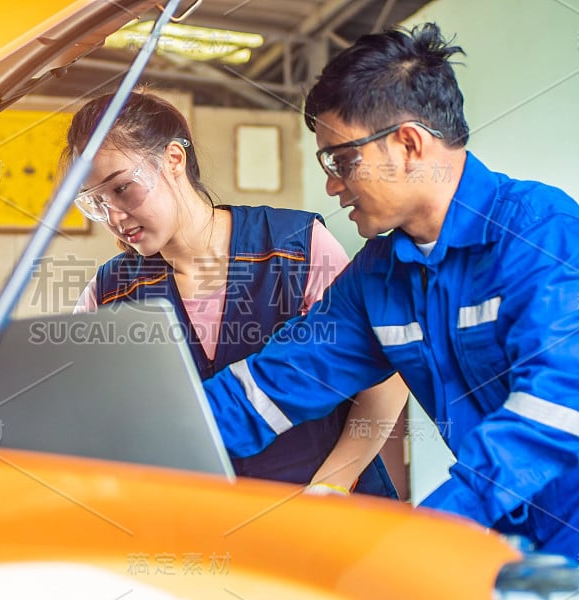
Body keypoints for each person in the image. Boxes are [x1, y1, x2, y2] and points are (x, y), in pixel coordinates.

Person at [201, 22, 579, 556]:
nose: (333, 184)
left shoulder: (543, 235)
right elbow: (275, 383)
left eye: (341, 159)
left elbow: (556, 413)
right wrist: (144, 441)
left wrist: (424, 530)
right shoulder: (378, 277)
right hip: (511, 540)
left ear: (408, 143)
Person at [66, 90, 408, 497]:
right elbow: (68, 409)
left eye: (122, 189)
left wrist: (330, 486)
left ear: (174, 160)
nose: (115, 218)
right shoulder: (108, 293)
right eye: (95, 204)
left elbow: (385, 380)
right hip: (202, 529)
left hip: (330, 517)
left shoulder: (295, 248)